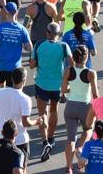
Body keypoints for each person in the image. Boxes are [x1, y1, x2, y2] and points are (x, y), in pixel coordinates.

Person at [30, 21, 72, 161]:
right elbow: (71, 63)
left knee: (42, 113)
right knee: (53, 110)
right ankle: (51, 137)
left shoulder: (38, 45)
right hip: (57, 86)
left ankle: (45, 141)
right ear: (58, 34)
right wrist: (66, 80)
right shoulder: (64, 46)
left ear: (47, 32)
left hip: (41, 84)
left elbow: (32, 65)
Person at [0, 68, 38, 161]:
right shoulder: (25, 99)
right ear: (24, 80)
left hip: (1, 138)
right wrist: (37, 122)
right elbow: (26, 123)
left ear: (12, 78)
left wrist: (1, 115)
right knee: (21, 168)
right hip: (20, 140)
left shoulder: (0, 92)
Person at [62, 46, 99, 172]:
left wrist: (73, 89)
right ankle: (80, 147)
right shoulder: (90, 73)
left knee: (70, 138)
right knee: (88, 129)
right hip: (85, 106)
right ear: (86, 57)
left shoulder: (68, 70)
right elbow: (95, 95)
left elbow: (63, 90)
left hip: (70, 106)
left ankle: (68, 167)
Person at [0, 1, 33, 86]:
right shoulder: (22, 29)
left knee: (0, 89)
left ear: (6, 12)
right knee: (11, 90)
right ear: (17, 12)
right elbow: (30, 49)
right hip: (14, 67)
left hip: (0, 65)